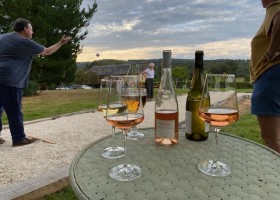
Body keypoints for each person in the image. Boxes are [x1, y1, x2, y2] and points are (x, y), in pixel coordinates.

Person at [0, 18, 72, 147]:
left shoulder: (3, 37)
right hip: (11, 79)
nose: (32, 31)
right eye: (31, 28)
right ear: (25, 29)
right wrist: (61, 42)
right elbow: (48, 51)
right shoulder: (24, 42)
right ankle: (18, 139)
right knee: (14, 110)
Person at [250, 0, 280, 153]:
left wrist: (270, 53)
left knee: (271, 139)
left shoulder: (275, 6)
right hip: (273, 76)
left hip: (269, 76)